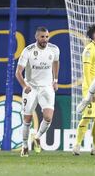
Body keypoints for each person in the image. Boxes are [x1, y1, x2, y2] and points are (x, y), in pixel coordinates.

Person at [15, 27, 60, 157]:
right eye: (42, 37)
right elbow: (18, 72)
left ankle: (38, 137)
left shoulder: (54, 49)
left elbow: (56, 63)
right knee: (27, 119)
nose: (45, 39)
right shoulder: (28, 51)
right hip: (31, 86)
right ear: (36, 37)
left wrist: (55, 80)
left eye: (46, 37)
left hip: (46, 87)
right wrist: (24, 86)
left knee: (48, 117)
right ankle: (24, 146)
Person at [72, 24, 95, 156]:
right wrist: (90, 91)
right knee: (88, 116)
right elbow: (86, 72)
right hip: (92, 88)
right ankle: (77, 145)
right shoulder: (89, 49)